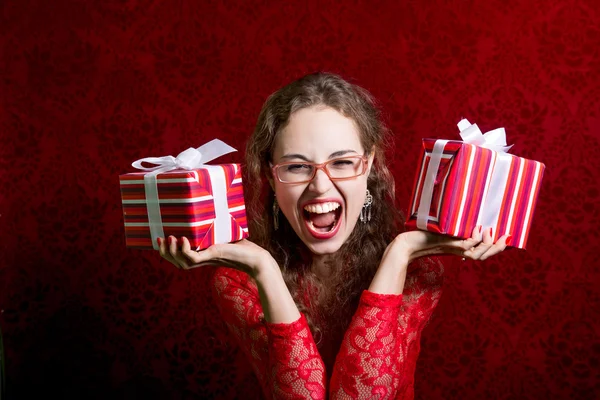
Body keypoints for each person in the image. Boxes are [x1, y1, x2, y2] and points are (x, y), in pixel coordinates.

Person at [157, 72, 510, 399]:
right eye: (296, 167)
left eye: (342, 162)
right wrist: (263, 267)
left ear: (368, 164)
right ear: (270, 176)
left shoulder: (419, 272)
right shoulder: (238, 281)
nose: (320, 186)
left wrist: (401, 251)